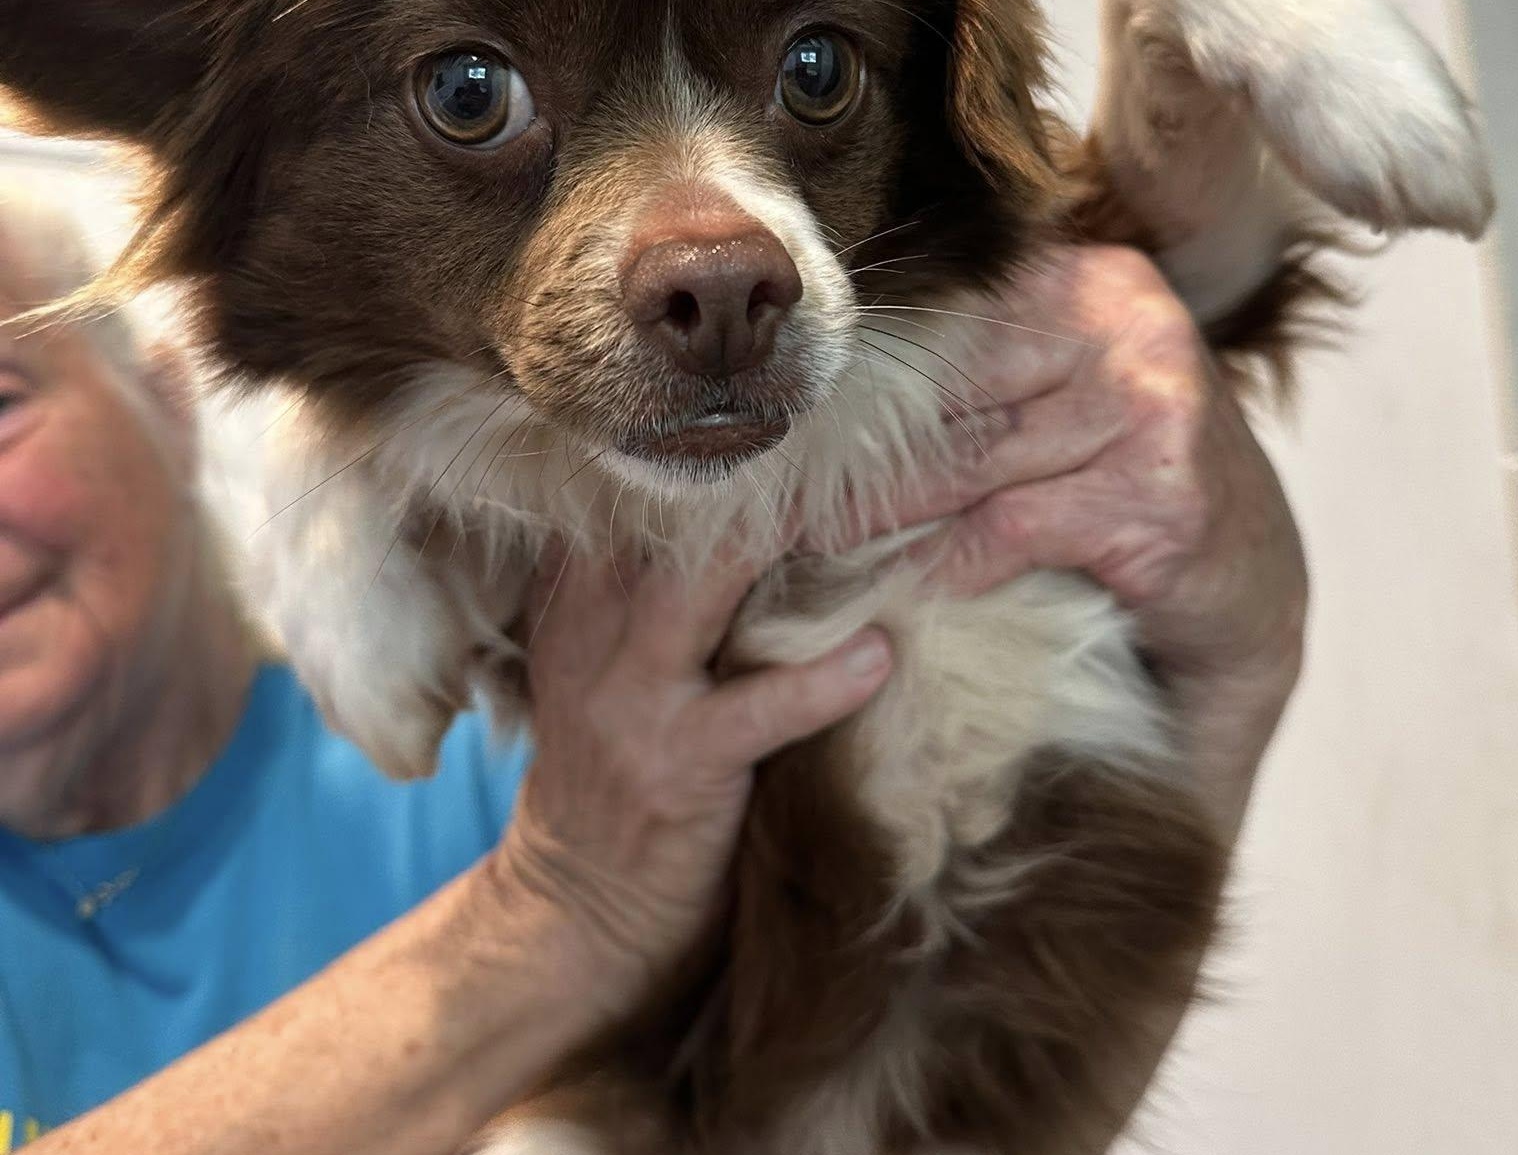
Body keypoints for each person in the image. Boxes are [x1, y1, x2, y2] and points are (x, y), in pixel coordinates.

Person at [0, 187, 1305, 1155]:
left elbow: (964, 1090)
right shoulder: (587, 768)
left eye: (1, 397)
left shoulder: (559, 660)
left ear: (172, 395)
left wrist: (1236, 663)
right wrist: (564, 898)